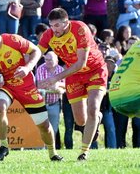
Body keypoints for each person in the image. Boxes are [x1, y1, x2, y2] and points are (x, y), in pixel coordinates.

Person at [0, 24, 63, 162]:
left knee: (43, 125)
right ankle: (3, 145)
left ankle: (53, 153)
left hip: (25, 85)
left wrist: (28, 68)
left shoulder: (13, 40)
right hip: (5, 86)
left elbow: (36, 51)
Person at [38, 8, 107, 160]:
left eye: (57, 26)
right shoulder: (49, 35)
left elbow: (81, 63)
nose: (53, 29)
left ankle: (84, 152)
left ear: (66, 23)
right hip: (73, 74)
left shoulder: (80, 29)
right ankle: (97, 118)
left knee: (93, 109)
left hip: (95, 70)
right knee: (80, 120)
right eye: (51, 25)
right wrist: (24, 66)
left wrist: (55, 78)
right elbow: (37, 53)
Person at [110, 36, 140, 148]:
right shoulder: (121, 60)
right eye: (130, 43)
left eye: (134, 43)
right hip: (126, 96)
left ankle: (135, 148)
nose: (132, 45)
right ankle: (121, 147)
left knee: (137, 126)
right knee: (122, 127)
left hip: (124, 96)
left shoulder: (134, 55)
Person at [36, 51, 65, 140]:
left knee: (54, 128)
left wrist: (57, 86)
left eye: (50, 60)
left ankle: (51, 149)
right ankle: (41, 149)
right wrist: (56, 87)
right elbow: (40, 85)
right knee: (41, 128)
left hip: (54, 103)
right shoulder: (40, 68)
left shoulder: (61, 70)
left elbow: (65, 85)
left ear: (56, 60)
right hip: (42, 104)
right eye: (46, 59)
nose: (47, 62)